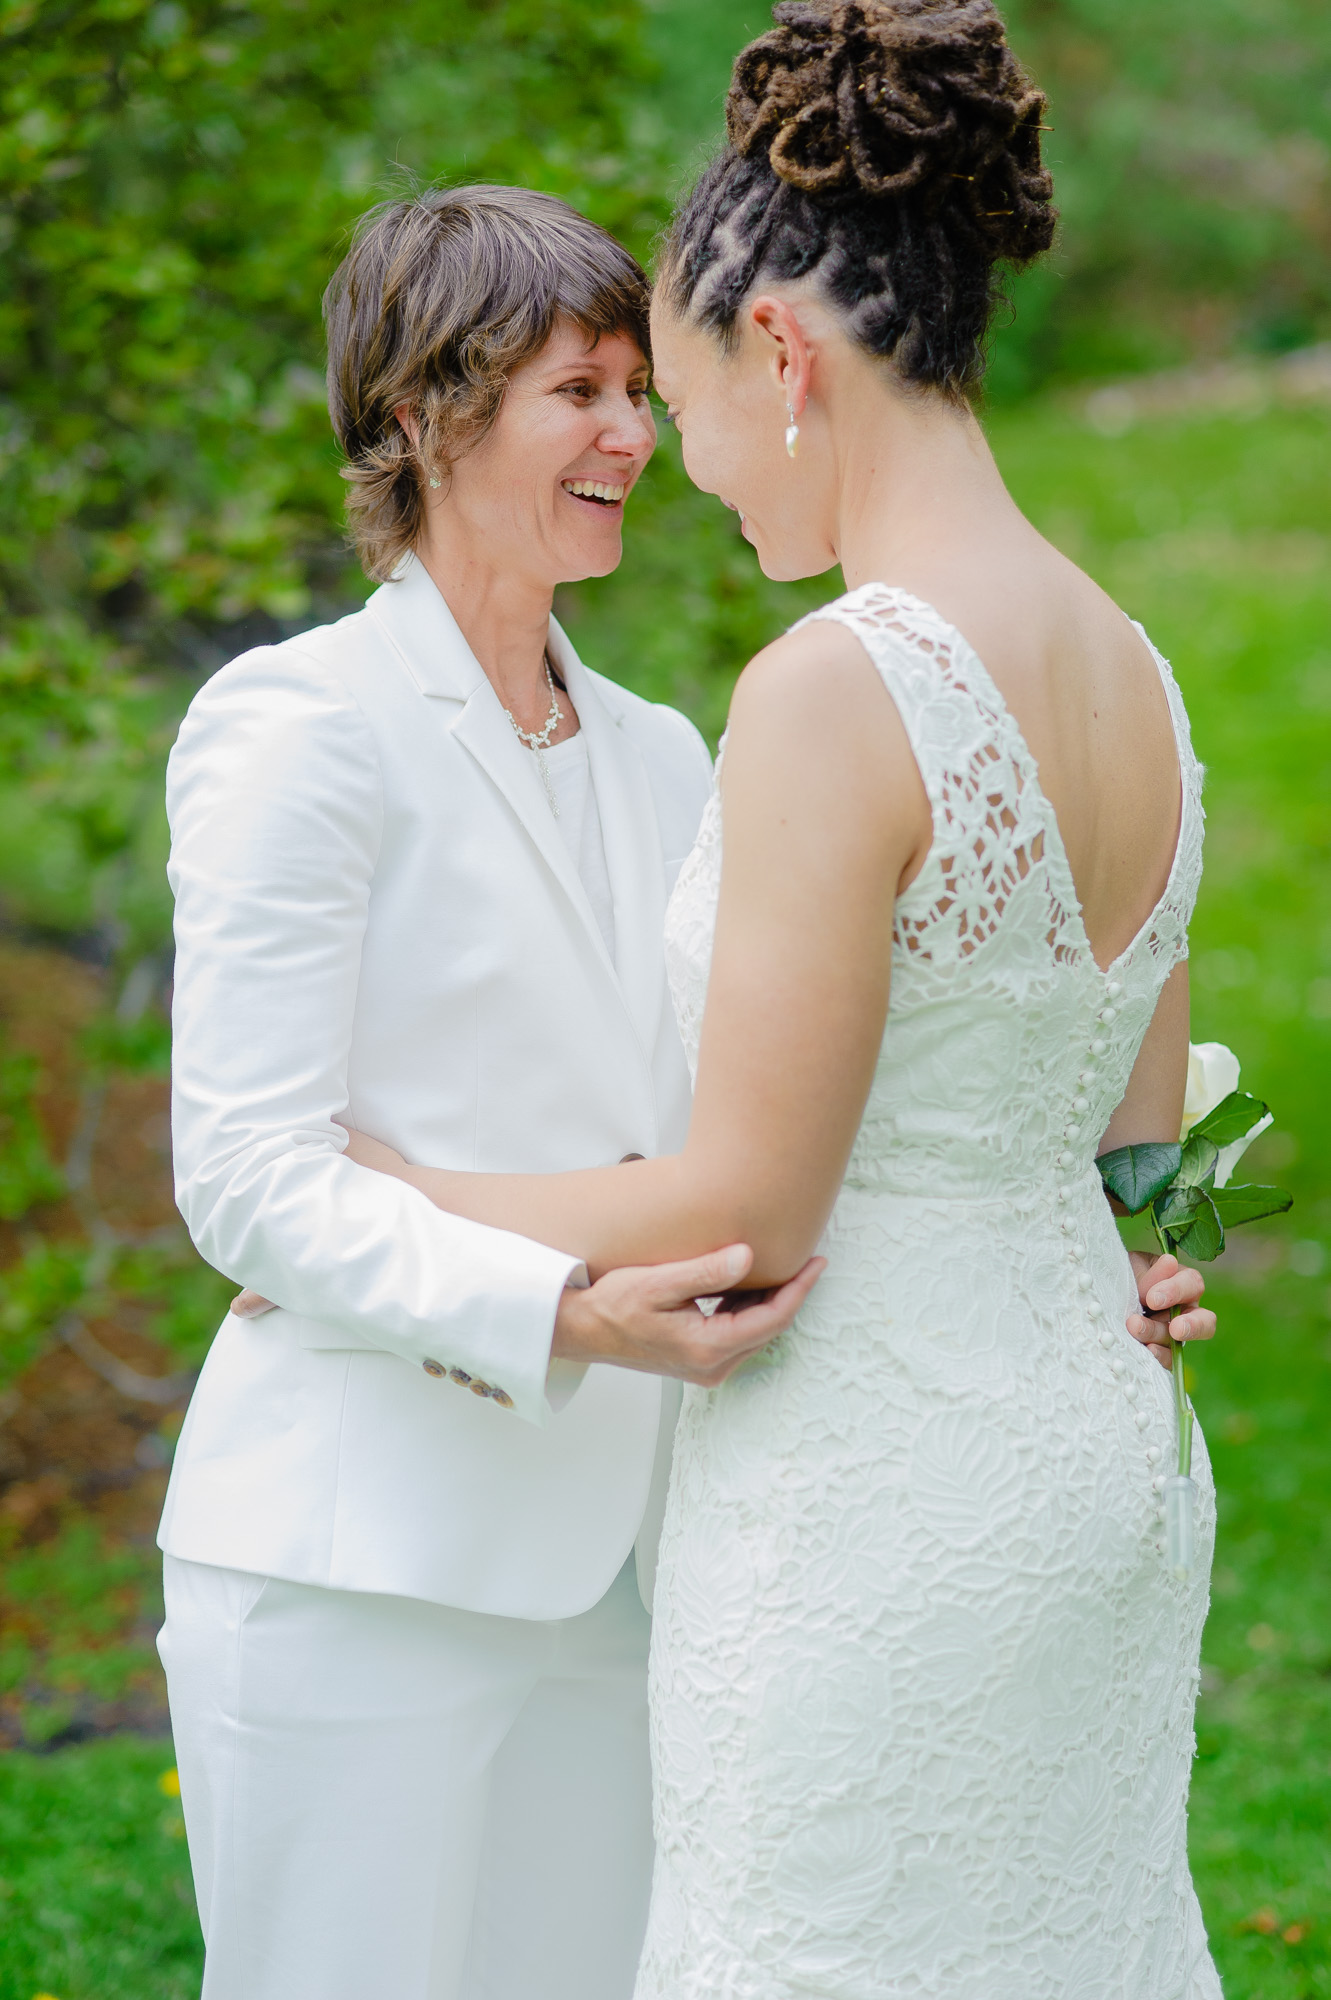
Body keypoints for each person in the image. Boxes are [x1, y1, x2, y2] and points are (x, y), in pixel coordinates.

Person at [326, 3, 1224, 1993]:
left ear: (784, 355)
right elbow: (1137, 1151)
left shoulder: (839, 683)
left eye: (683, 395)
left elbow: (748, 1201)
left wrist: (387, 1194)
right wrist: (1153, 1260)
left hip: (877, 1504)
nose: (684, 462)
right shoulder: (1139, 673)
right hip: (1105, 1468)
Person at [156, 185, 823, 2000]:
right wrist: (565, 1313)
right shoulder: (298, 726)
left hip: (626, 1575)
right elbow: (250, 1179)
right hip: (356, 1568)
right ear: (425, 412)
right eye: (578, 393)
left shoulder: (670, 756)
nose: (634, 438)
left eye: (638, 393)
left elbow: (740, 1125)